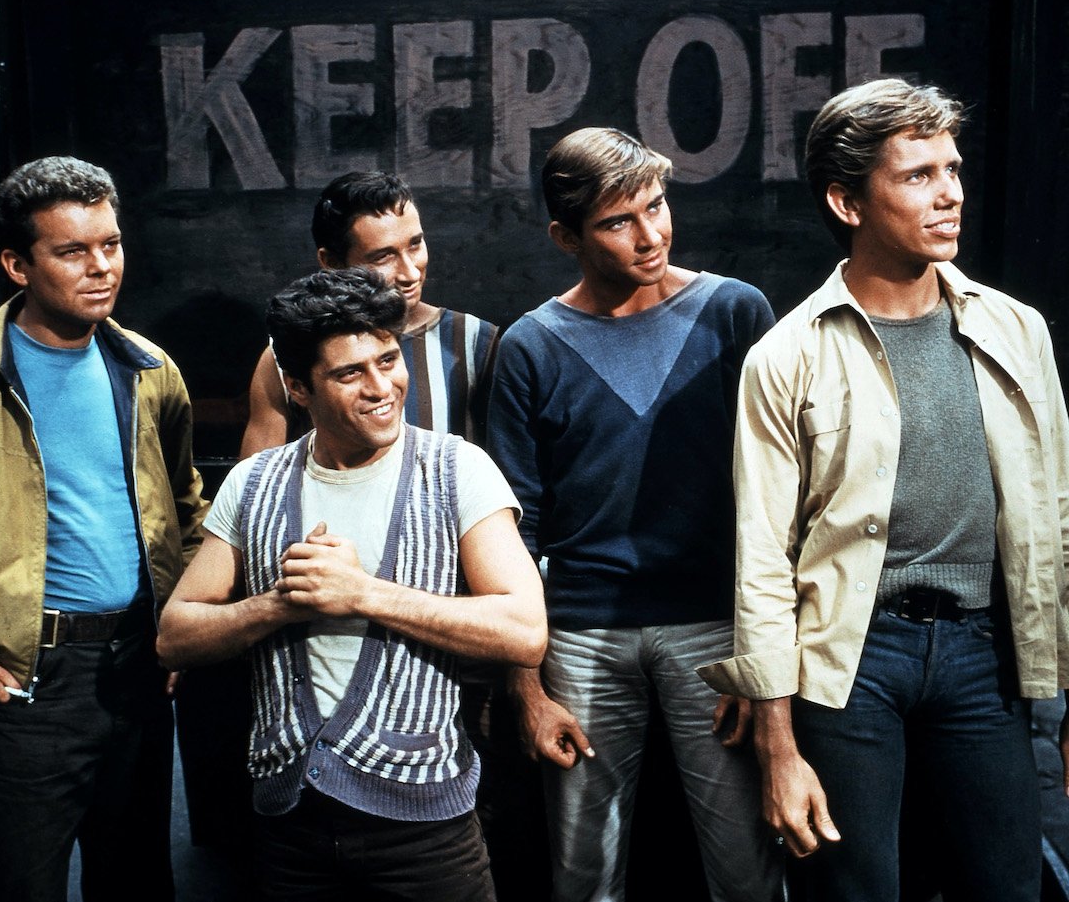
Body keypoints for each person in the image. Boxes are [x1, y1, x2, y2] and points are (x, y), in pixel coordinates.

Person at [699, 77, 1067, 902]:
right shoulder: (788, 354)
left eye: (953, 168)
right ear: (847, 199)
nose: (951, 193)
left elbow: (1057, 516)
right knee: (853, 887)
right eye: (918, 175)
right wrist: (778, 746)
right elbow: (763, 559)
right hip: (852, 658)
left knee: (1008, 885)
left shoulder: (1016, 329)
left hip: (985, 653)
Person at [0, 156, 207, 901]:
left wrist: (187, 616)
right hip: (23, 687)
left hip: (138, 670)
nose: (101, 268)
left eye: (110, 244)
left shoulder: (150, 370)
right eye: (73, 250)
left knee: (139, 880)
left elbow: (184, 507)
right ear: (17, 264)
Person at [157, 267, 546, 901]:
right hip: (289, 825)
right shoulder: (253, 485)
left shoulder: (457, 471)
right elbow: (175, 636)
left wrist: (363, 593)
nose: (381, 387)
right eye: (348, 373)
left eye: (388, 360)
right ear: (297, 388)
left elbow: (525, 631)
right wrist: (278, 604)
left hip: (426, 829)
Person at [487, 127, 782, 902]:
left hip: (716, 630)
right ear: (566, 236)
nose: (650, 234)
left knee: (747, 866)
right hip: (580, 632)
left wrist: (765, 660)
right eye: (620, 221)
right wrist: (526, 686)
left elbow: (783, 493)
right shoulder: (530, 345)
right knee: (584, 873)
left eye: (657, 206)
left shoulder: (734, 311)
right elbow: (513, 528)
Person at [240, 170, 499, 454]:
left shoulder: (475, 342)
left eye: (415, 244)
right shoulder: (288, 352)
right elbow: (255, 482)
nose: (410, 272)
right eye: (383, 256)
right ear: (332, 262)